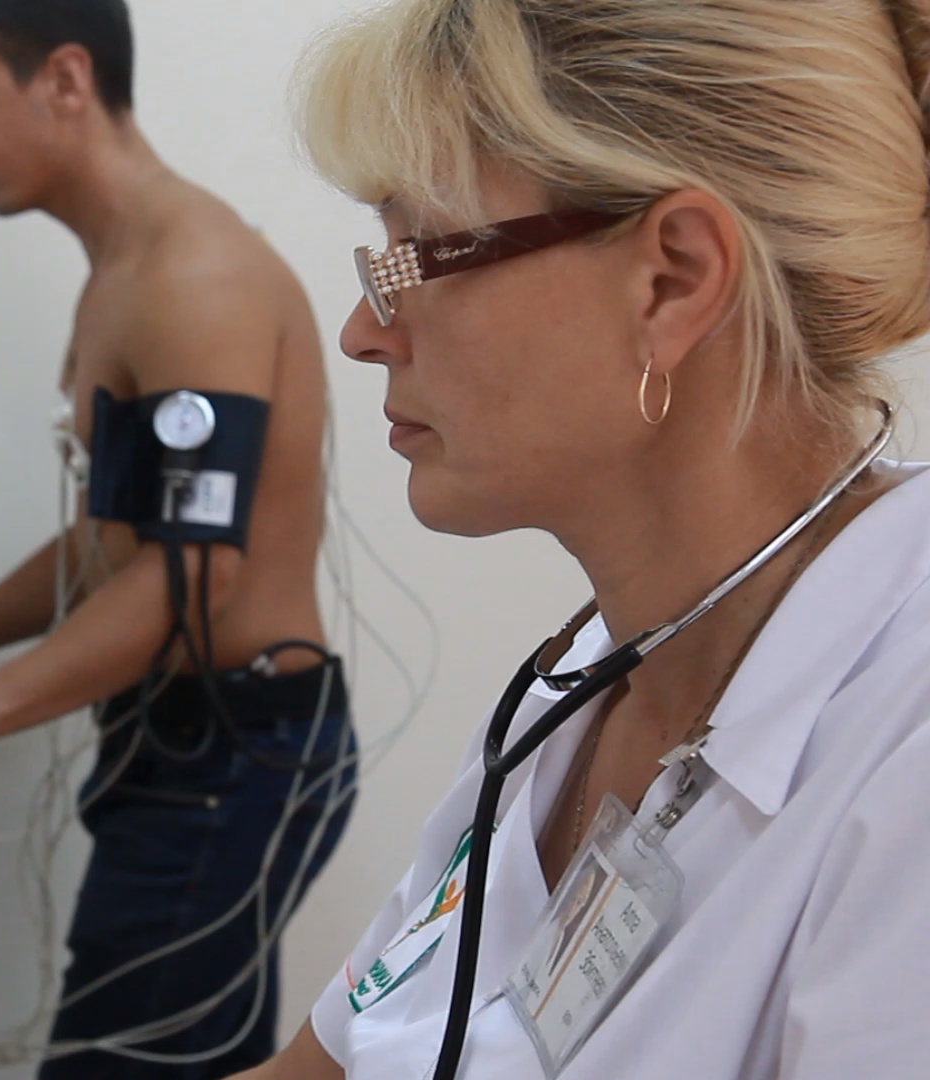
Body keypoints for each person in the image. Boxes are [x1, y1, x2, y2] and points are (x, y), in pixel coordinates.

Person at [237, 1, 930, 1078]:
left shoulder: (903, 751)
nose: (364, 331)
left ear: (673, 281)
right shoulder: (576, 689)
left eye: (415, 255)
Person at [0, 1, 355, 1076]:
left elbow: (193, 581)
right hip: (183, 745)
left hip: (237, 752)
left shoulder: (193, 276)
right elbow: (109, 547)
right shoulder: (121, 270)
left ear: (66, 80)